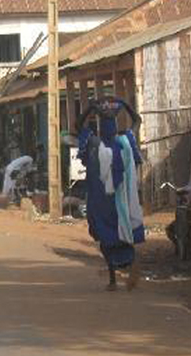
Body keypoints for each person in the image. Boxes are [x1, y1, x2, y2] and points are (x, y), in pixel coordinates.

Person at [77, 97, 144, 291]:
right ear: (115, 125)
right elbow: (137, 120)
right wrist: (124, 105)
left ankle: (113, 279)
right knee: (124, 234)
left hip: (100, 202)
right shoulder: (125, 141)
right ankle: (130, 269)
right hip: (122, 201)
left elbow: (78, 125)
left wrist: (90, 107)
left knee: (106, 239)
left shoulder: (93, 142)